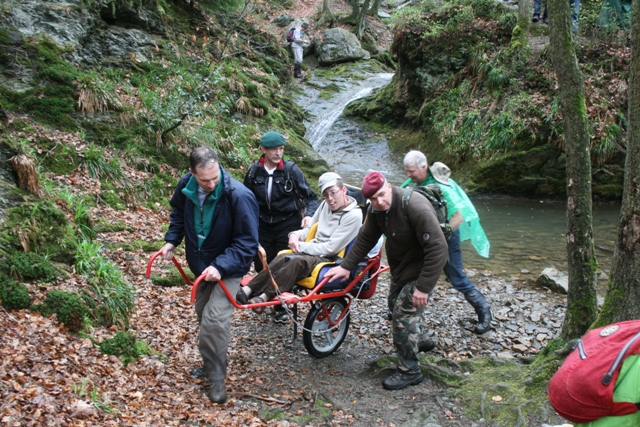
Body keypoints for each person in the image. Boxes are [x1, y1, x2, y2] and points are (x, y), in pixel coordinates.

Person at [325, 172, 448, 391]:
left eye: (382, 195)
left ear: (389, 187)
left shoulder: (415, 207)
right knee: (394, 306)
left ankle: (410, 371)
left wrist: (423, 287)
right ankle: (420, 340)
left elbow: (439, 249)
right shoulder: (376, 210)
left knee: (402, 316)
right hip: (402, 269)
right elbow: (365, 238)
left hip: (421, 271)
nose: (379, 202)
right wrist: (345, 267)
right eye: (373, 199)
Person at [160, 147, 259, 405]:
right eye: (204, 180)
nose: (211, 183)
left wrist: (221, 266)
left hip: (229, 266)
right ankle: (211, 362)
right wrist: (172, 240)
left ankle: (216, 378)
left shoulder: (238, 195)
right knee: (203, 313)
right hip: (201, 265)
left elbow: (248, 243)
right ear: (192, 173)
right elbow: (178, 216)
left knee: (215, 320)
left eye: (215, 177)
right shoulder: (186, 186)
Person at [237, 172, 362, 313]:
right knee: (282, 257)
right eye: (325, 195)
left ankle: (265, 296)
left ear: (343, 190)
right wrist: (294, 235)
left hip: (331, 257)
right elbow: (309, 229)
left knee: (297, 262)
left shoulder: (354, 215)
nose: (330, 199)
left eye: (333, 193)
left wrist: (301, 246)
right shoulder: (325, 205)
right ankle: (248, 290)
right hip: (314, 248)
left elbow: (331, 248)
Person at [402, 150, 493, 335]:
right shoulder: (413, 183)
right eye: (406, 171)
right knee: (416, 274)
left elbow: (459, 215)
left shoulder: (441, 186)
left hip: (446, 238)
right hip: (426, 238)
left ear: (423, 167)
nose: (408, 175)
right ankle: (404, 314)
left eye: (411, 171)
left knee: (455, 276)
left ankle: (484, 310)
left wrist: (440, 238)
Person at [244, 131, 319, 322]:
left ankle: (281, 307)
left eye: (281, 149)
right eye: (274, 149)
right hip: (262, 223)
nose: (278, 153)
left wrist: (309, 216)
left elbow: (311, 198)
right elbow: (245, 199)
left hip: (287, 222)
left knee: (285, 263)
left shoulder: (291, 170)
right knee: (262, 261)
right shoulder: (254, 172)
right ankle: (261, 298)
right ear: (263, 150)